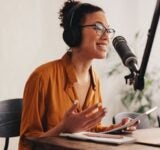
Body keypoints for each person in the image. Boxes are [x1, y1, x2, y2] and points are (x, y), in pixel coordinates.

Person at [19, 1, 137, 149]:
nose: (107, 36)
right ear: (74, 34)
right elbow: (27, 143)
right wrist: (63, 127)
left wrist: (116, 128)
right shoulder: (42, 77)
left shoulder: (95, 79)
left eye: (108, 30)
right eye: (98, 27)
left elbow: (90, 131)